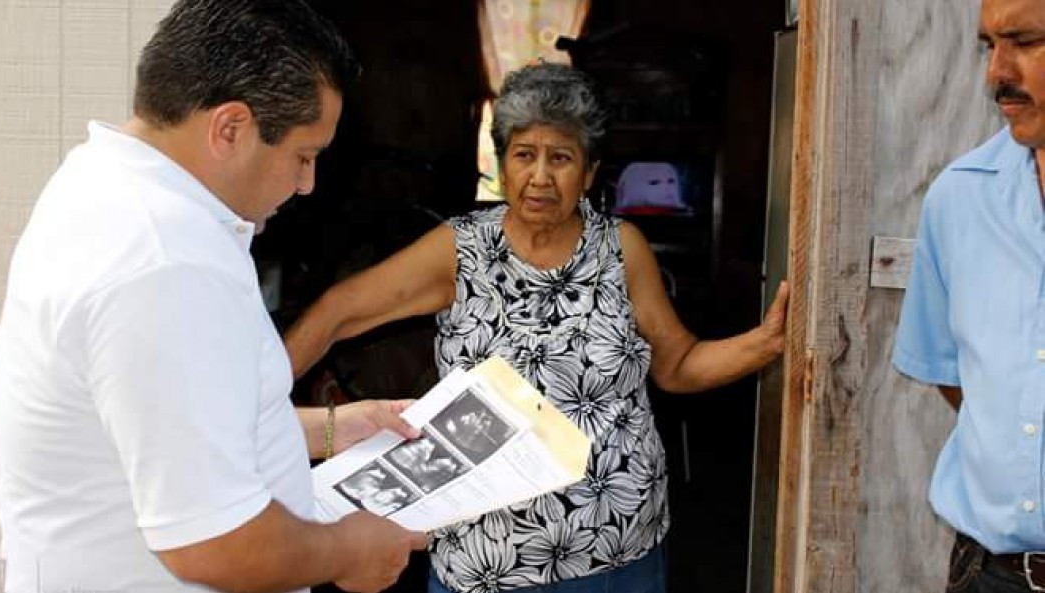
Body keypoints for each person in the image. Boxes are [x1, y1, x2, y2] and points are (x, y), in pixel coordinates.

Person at [0, 0, 427, 593]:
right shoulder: (164, 261)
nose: (307, 185)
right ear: (230, 128)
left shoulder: (107, 184)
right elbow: (214, 545)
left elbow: (170, 426)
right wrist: (349, 549)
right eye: (304, 156)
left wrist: (332, 429)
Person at [285, 61, 788, 593]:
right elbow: (339, 312)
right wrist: (256, 403)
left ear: (590, 172)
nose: (541, 176)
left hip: (619, 548)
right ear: (502, 164)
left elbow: (679, 365)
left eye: (562, 158)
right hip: (489, 559)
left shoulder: (621, 250)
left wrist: (766, 343)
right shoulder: (461, 251)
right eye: (524, 155)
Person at [893, 0, 1045, 591]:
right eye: (989, 44)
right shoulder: (958, 199)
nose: (997, 75)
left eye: (1027, 42)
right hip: (991, 575)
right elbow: (959, 383)